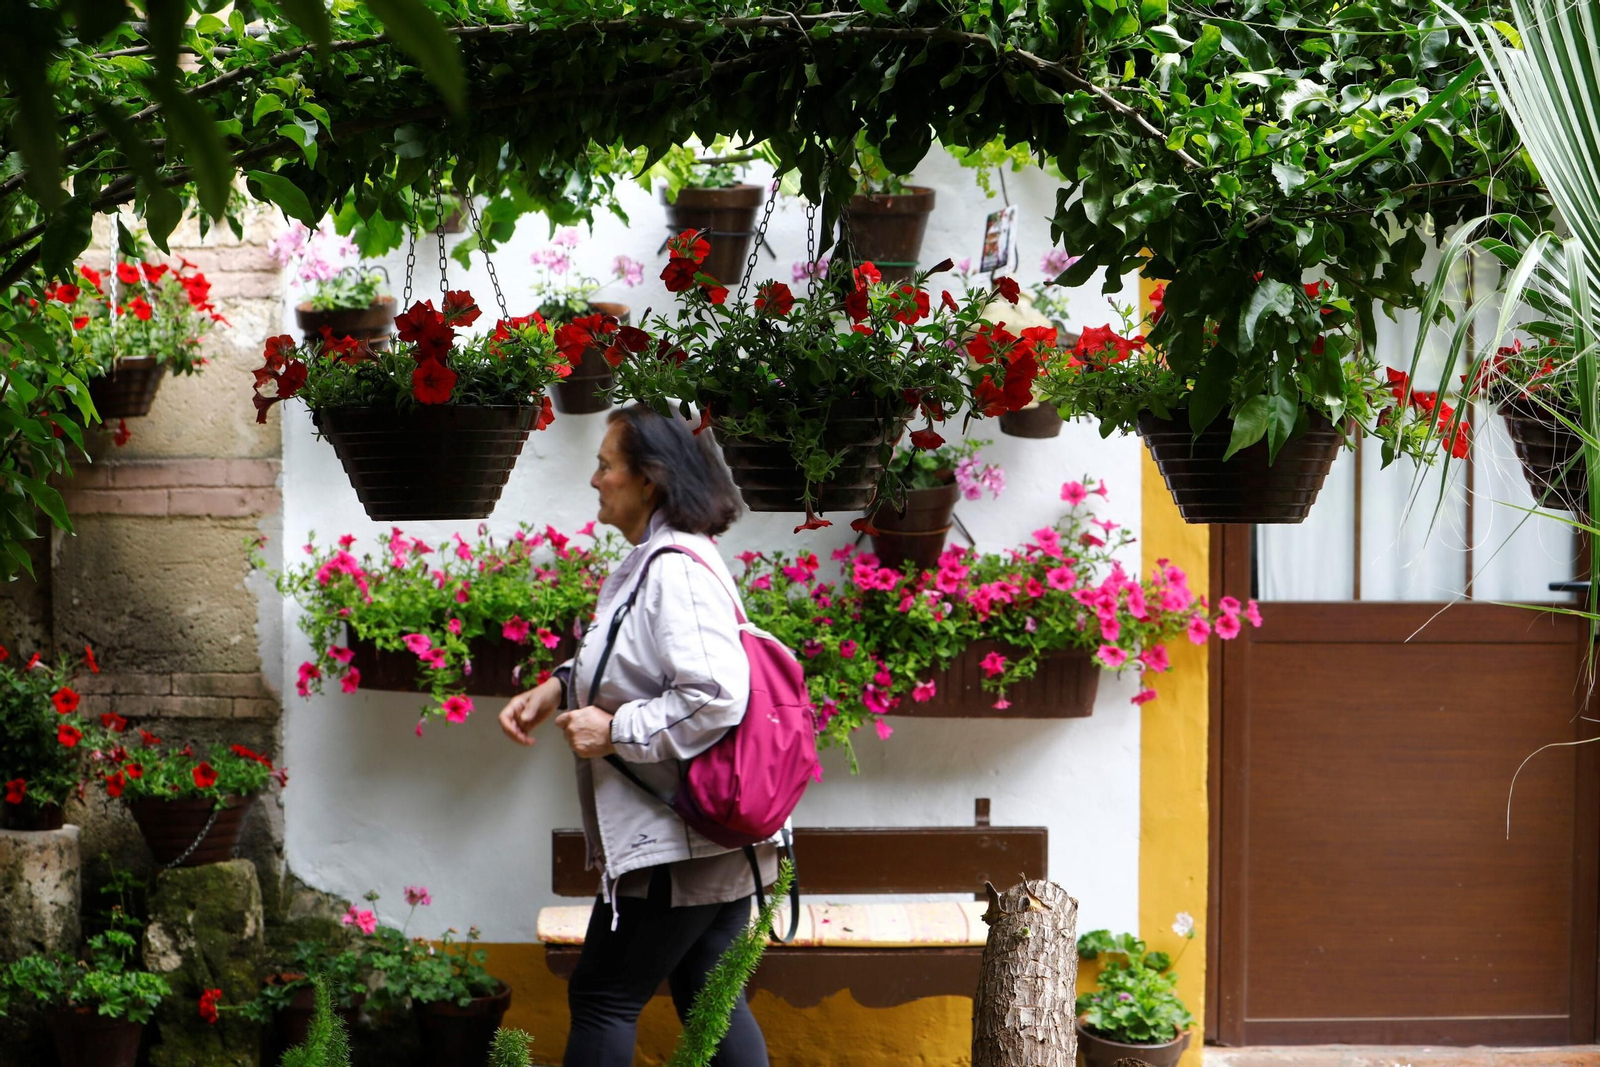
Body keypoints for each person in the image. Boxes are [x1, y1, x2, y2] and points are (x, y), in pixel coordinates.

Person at [499, 404, 776, 1067]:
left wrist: (614, 729)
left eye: (606, 465)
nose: (595, 479)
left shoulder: (675, 569)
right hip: (700, 836)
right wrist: (558, 688)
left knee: (604, 996)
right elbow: (639, 663)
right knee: (708, 996)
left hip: (679, 842)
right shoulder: (659, 561)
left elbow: (715, 693)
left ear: (649, 479)